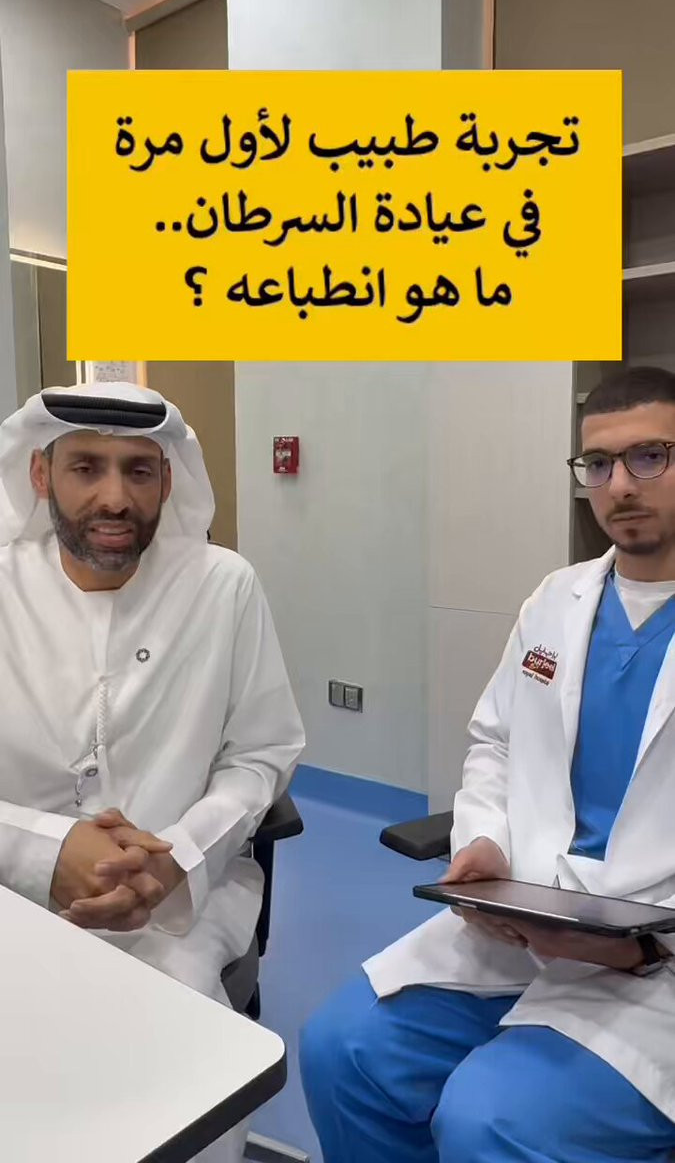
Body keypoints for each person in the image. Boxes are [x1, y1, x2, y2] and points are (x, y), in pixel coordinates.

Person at [300, 365, 675, 1163]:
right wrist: (484, 843)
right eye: (597, 463)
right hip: (525, 920)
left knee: (492, 1120)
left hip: (657, 957)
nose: (618, 486)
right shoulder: (555, 600)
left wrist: (644, 946)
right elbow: (494, 743)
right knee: (342, 1051)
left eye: (649, 457)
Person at [0, 380, 305, 1163]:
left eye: (139, 471)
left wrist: (177, 859)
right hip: (9, 894)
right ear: (40, 474)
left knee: (184, 1079)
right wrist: (45, 850)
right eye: (86, 467)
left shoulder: (222, 585)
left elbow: (260, 753)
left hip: (179, 905)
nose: (115, 497)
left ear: (168, 481)